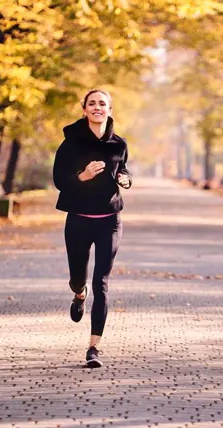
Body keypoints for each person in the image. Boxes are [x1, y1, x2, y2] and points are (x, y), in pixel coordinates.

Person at [53, 89, 132, 368]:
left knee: (102, 282)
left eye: (103, 104)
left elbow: (123, 168)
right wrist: (83, 176)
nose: (97, 107)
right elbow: (59, 180)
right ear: (84, 109)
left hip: (109, 220)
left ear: (110, 110)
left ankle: (93, 348)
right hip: (78, 219)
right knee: (79, 277)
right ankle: (78, 293)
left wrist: (124, 178)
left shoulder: (118, 145)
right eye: (92, 103)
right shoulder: (70, 143)